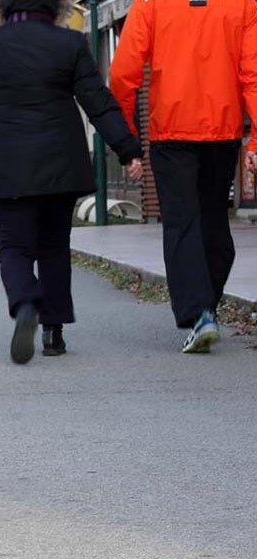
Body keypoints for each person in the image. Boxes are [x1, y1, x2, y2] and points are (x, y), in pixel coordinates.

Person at [0, 0, 143, 364]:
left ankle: (25, 302)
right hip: (61, 164)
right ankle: (54, 332)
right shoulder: (69, 43)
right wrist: (128, 150)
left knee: (14, 246)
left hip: (10, 166)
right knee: (54, 247)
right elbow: (98, 102)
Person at [109, 0, 257, 354]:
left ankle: (199, 312)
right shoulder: (243, 5)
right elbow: (253, 73)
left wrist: (127, 133)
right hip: (221, 133)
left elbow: (122, 74)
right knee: (213, 223)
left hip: (170, 135)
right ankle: (207, 305)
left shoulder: (151, 5)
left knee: (181, 225)